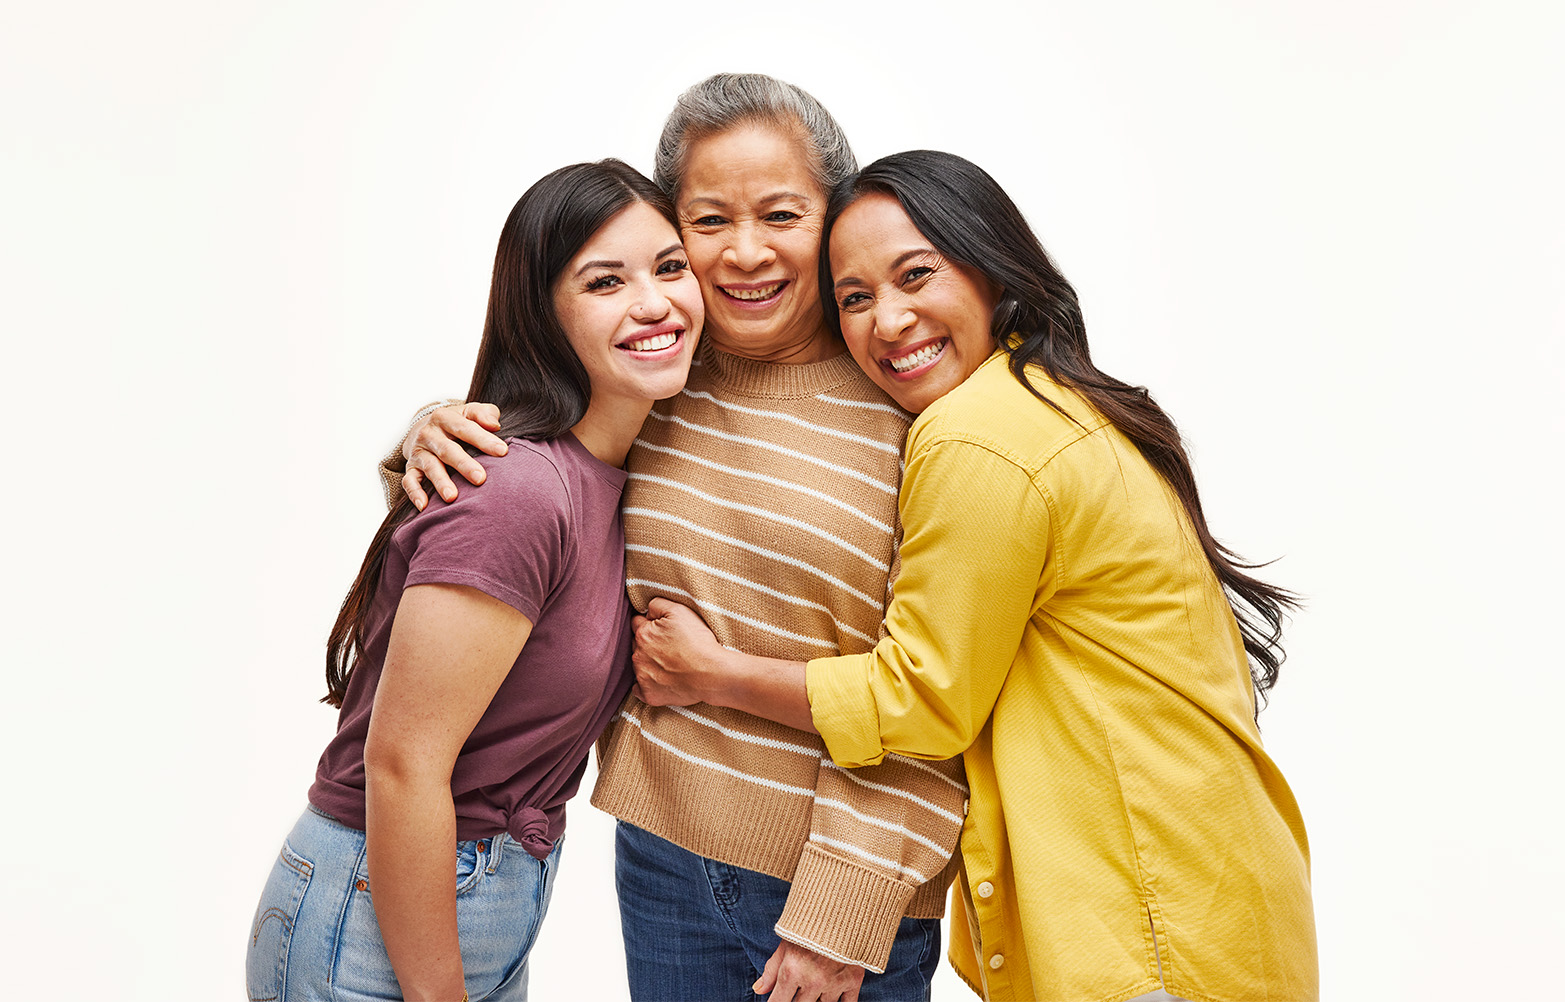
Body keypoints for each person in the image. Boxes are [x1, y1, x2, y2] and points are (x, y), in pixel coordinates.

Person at [629, 150, 1320, 1002]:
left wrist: (713, 674)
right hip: (1191, 892)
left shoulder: (978, 437)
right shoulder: (1048, 397)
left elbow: (921, 699)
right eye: (855, 297)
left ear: (993, 268)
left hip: (1142, 918)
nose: (888, 321)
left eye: (916, 275)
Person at [387, 74, 966, 1002]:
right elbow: (532, 483)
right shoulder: (659, 370)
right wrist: (429, 432)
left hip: (834, 896)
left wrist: (841, 911)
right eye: (708, 221)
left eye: (781, 214)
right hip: (661, 859)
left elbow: (943, 691)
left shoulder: (913, 408)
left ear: (835, 216)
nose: (745, 253)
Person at [246, 159, 702, 1002]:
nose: (654, 302)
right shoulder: (523, 492)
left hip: (476, 900)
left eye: (670, 267)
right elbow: (403, 764)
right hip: (377, 912)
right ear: (543, 313)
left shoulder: (621, 471)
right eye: (606, 281)